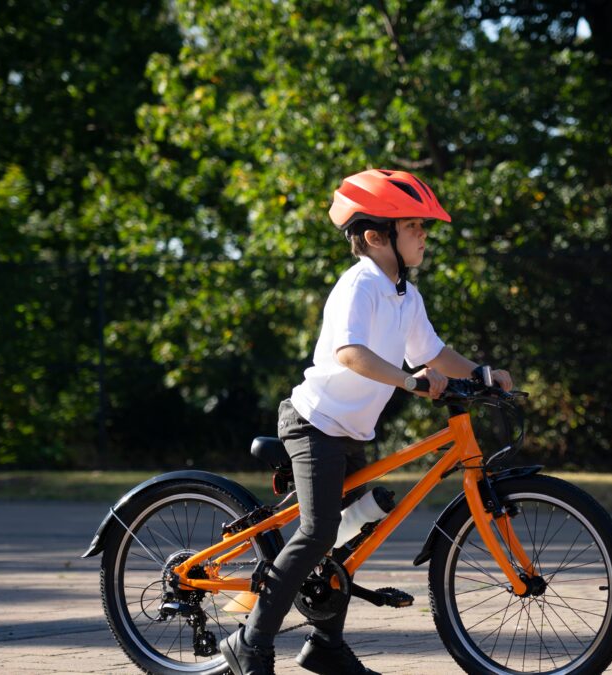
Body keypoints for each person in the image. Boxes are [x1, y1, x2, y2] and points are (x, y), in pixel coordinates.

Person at [219, 169, 513, 675]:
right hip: (315, 424)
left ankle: (325, 647)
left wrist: (481, 373)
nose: (424, 235)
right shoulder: (360, 284)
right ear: (376, 236)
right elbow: (350, 353)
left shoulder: (404, 294)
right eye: (415, 226)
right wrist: (409, 381)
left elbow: (434, 352)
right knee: (317, 532)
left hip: (351, 431)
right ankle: (251, 641)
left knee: (353, 535)